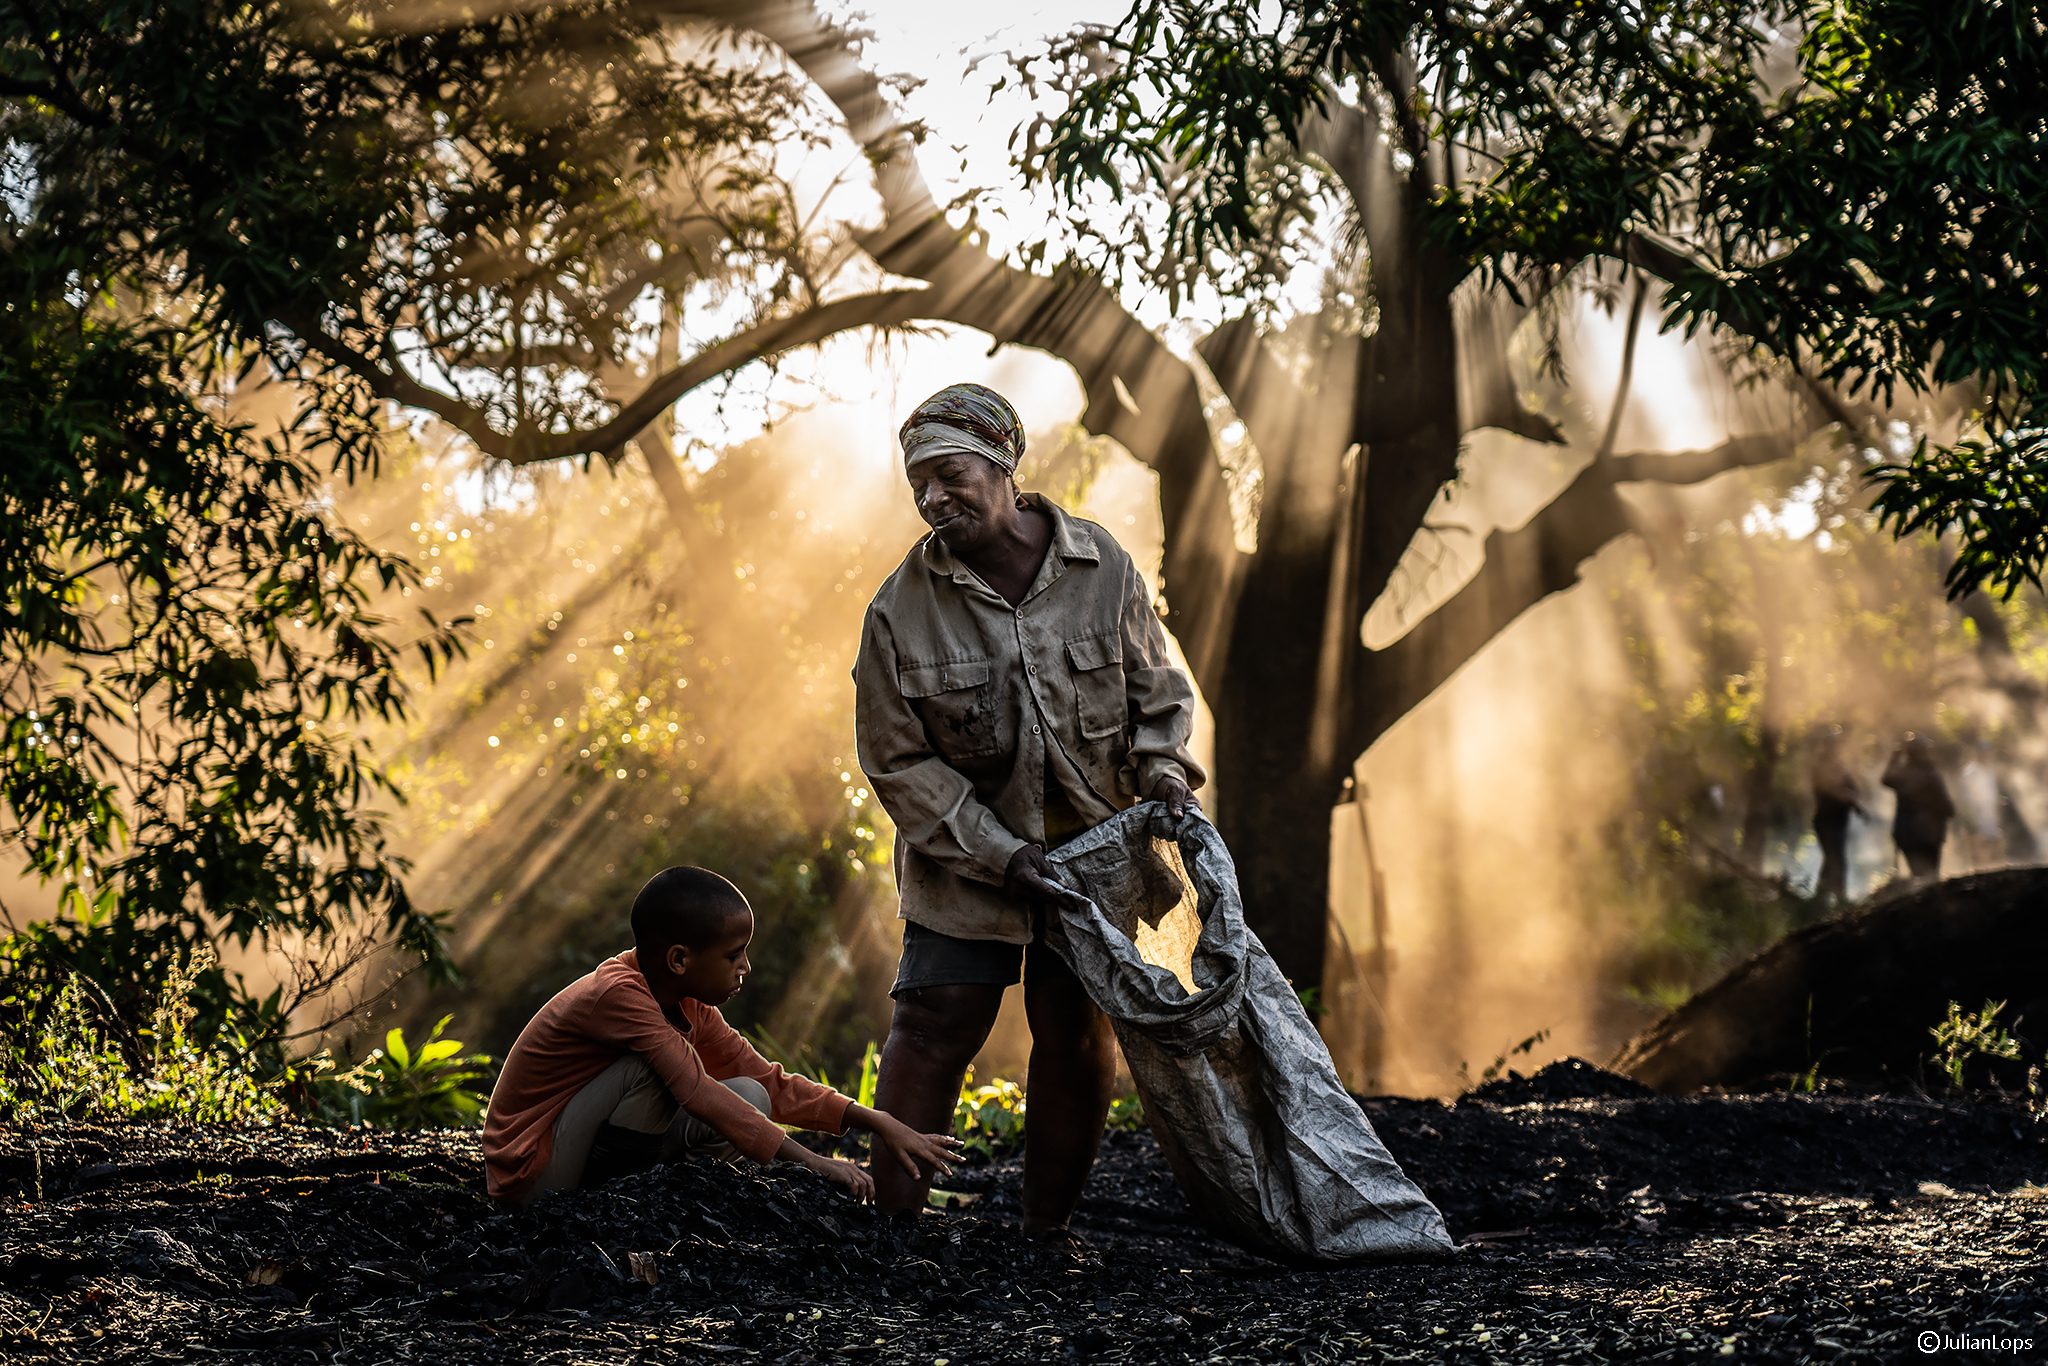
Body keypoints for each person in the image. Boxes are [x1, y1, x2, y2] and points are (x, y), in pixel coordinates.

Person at [852, 382, 1206, 1238]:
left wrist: (1163, 771)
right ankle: (890, 1237)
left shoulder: (1101, 565)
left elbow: (1157, 685)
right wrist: (1000, 852)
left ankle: (1045, 1235)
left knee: (1078, 1034)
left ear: (1004, 465)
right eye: (919, 485)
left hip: (1096, 861)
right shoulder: (900, 612)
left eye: (951, 474)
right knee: (934, 1024)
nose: (934, 498)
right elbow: (896, 762)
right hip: (968, 864)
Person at [482, 866, 960, 1206]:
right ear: (679, 960)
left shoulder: (689, 1003)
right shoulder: (619, 994)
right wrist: (814, 1163)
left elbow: (768, 1082)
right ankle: (609, 1202)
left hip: (592, 1148)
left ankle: (643, 1192)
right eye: (734, 956)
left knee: (750, 1093)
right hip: (534, 1172)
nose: (745, 968)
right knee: (655, 1070)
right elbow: (696, 1090)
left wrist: (877, 1120)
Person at [1881, 733, 1954, 883]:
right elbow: (1947, 808)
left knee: (1918, 876)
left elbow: (1886, 779)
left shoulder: (1902, 774)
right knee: (1929, 878)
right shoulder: (1930, 776)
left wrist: (1895, 757)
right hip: (1927, 835)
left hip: (1906, 834)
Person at [1809, 728, 1864, 902]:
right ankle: (1839, 899)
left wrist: (1853, 799)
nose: (1837, 748)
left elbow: (1853, 789)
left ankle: (1820, 897)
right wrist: (1849, 798)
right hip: (1826, 819)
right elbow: (1832, 790)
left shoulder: (1840, 767)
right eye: (1834, 744)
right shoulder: (1822, 765)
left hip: (1838, 820)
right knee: (1836, 860)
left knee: (1833, 859)